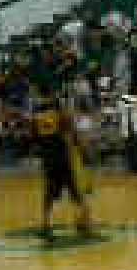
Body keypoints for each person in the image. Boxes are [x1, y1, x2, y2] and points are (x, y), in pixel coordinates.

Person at [30, 84, 92, 241]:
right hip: (63, 156)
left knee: (49, 193)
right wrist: (82, 149)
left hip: (48, 158)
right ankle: (82, 222)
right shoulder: (59, 110)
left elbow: (34, 138)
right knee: (75, 190)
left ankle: (45, 224)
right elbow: (71, 130)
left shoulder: (36, 114)